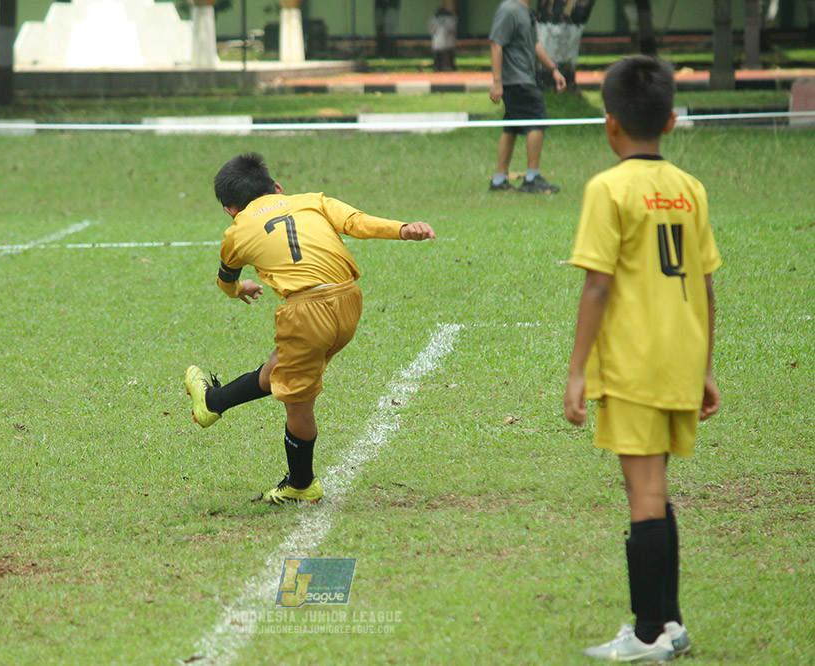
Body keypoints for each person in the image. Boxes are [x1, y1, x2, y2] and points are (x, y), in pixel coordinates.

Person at [564, 56, 721, 663]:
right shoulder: (691, 190)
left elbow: (597, 285)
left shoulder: (608, 188)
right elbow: (706, 286)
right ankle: (672, 622)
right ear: (672, 121)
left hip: (634, 363)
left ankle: (649, 633)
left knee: (644, 494)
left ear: (610, 125)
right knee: (656, 490)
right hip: (681, 357)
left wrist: (577, 370)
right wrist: (704, 366)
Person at [184, 153, 436, 505]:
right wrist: (402, 229)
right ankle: (212, 403)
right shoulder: (312, 201)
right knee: (281, 367)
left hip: (306, 312)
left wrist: (239, 289)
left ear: (230, 209)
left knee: (298, 405)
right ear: (277, 188)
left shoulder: (236, 233)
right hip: (349, 301)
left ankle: (301, 484)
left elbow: (226, 279)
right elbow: (356, 221)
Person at [488, 0, 567, 193]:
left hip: (523, 78)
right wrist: (497, 81)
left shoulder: (525, 11)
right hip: (516, 80)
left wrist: (554, 69)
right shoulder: (509, 10)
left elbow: (534, 44)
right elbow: (496, 44)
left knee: (511, 126)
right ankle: (532, 178)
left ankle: (499, 180)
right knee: (537, 122)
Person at [429, 1, 458, 72]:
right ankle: (449, 67)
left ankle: (437, 67)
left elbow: (431, 30)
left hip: (437, 43)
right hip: (448, 43)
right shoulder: (450, 19)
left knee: (438, 57)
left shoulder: (434, 20)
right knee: (449, 57)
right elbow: (453, 29)